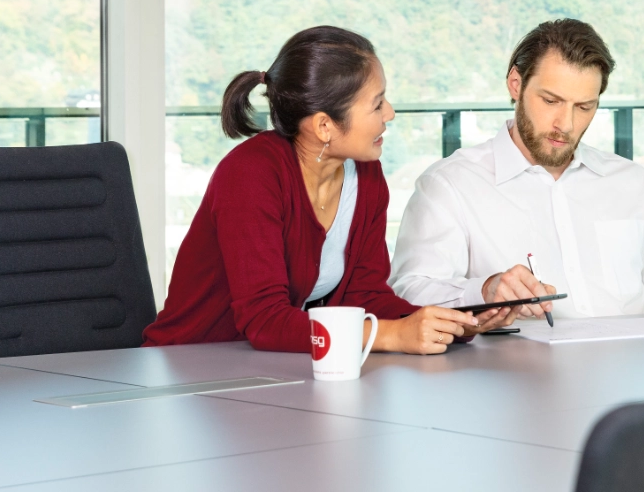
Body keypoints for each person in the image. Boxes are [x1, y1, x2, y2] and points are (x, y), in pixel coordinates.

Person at [143, 26, 491, 354]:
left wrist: (452, 322)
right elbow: (265, 321)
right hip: (190, 368)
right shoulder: (250, 174)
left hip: (276, 370)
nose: (390, 113)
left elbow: (366, 296)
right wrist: (392, 335)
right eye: (377, 103)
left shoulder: (365, 174)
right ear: (324, 125)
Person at [389, 18, 644, 326]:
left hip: (631, 384)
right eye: (550, 101)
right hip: (515, 390)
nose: (566, 123)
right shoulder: (450, 185)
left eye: (584, 107)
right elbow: (410, 292)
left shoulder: (635, 185)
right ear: (516, 84)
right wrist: (484, 290)